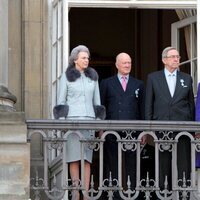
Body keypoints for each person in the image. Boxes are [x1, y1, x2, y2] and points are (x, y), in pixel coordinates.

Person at [54, 45, 105, 200]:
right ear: (75, 60)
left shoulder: (93, 77)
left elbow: (97, 102)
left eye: (88, 58)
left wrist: (99, 124)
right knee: (74, 159)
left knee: (87, 160)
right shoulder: (66, 77)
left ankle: (86, 194)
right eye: (83, 58)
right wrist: (62, 124)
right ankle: (75, 194)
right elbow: (61, 101)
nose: (86, 60)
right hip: (73, 123)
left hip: (89, 123)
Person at [145, 46, 195, 190]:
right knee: (163, 163)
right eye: (173, 56)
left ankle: (183, 194)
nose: (176, 59)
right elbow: (149, 104)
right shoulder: (153, 78)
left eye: (178, 57)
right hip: (162, 127)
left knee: (184, 164)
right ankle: (163, 194)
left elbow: (191, 104)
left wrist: (193, 128)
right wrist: (149, 128)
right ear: (164, 60)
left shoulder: (186, 78)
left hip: (183, 128)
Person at [100, 52, 146, 199]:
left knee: (132, 162)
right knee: (112, 161)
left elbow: (142, 108)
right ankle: (113, 193)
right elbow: (101, 107)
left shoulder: (138, 84)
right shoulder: (106, 83)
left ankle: (133, 193)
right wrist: (101, 128)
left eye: (129, 63)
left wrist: (144, 131)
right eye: (124, 63)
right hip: (111, 129)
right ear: (117, 64)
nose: (127, 65)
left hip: (133, 130)